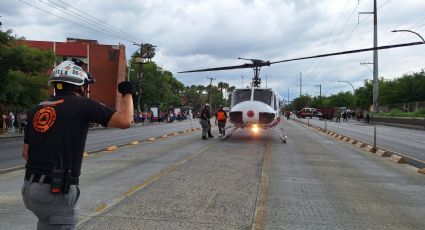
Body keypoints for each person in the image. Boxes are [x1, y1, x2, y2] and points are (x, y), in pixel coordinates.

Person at [21, 60, 134, 229]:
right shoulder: (83, 105)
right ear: (80, 86)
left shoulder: (37, 108)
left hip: (30, 189)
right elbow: (125, 120)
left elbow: (26, 153)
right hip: (55, 191)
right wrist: (128, 93)